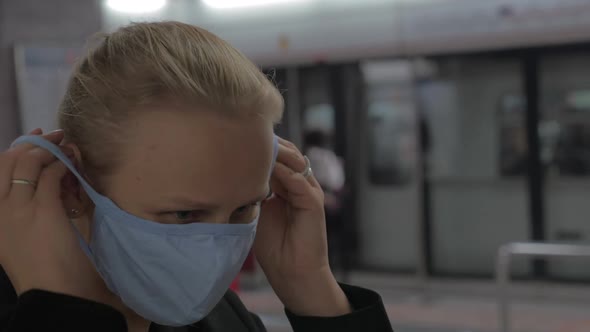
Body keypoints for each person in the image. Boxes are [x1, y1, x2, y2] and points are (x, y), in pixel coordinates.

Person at [0, 22, 393, 332]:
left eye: (244, 209)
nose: (218, 251)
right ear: (74, 186)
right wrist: (58, 312)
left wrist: (312, 288)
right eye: (185, 215)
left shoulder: (222, 320)